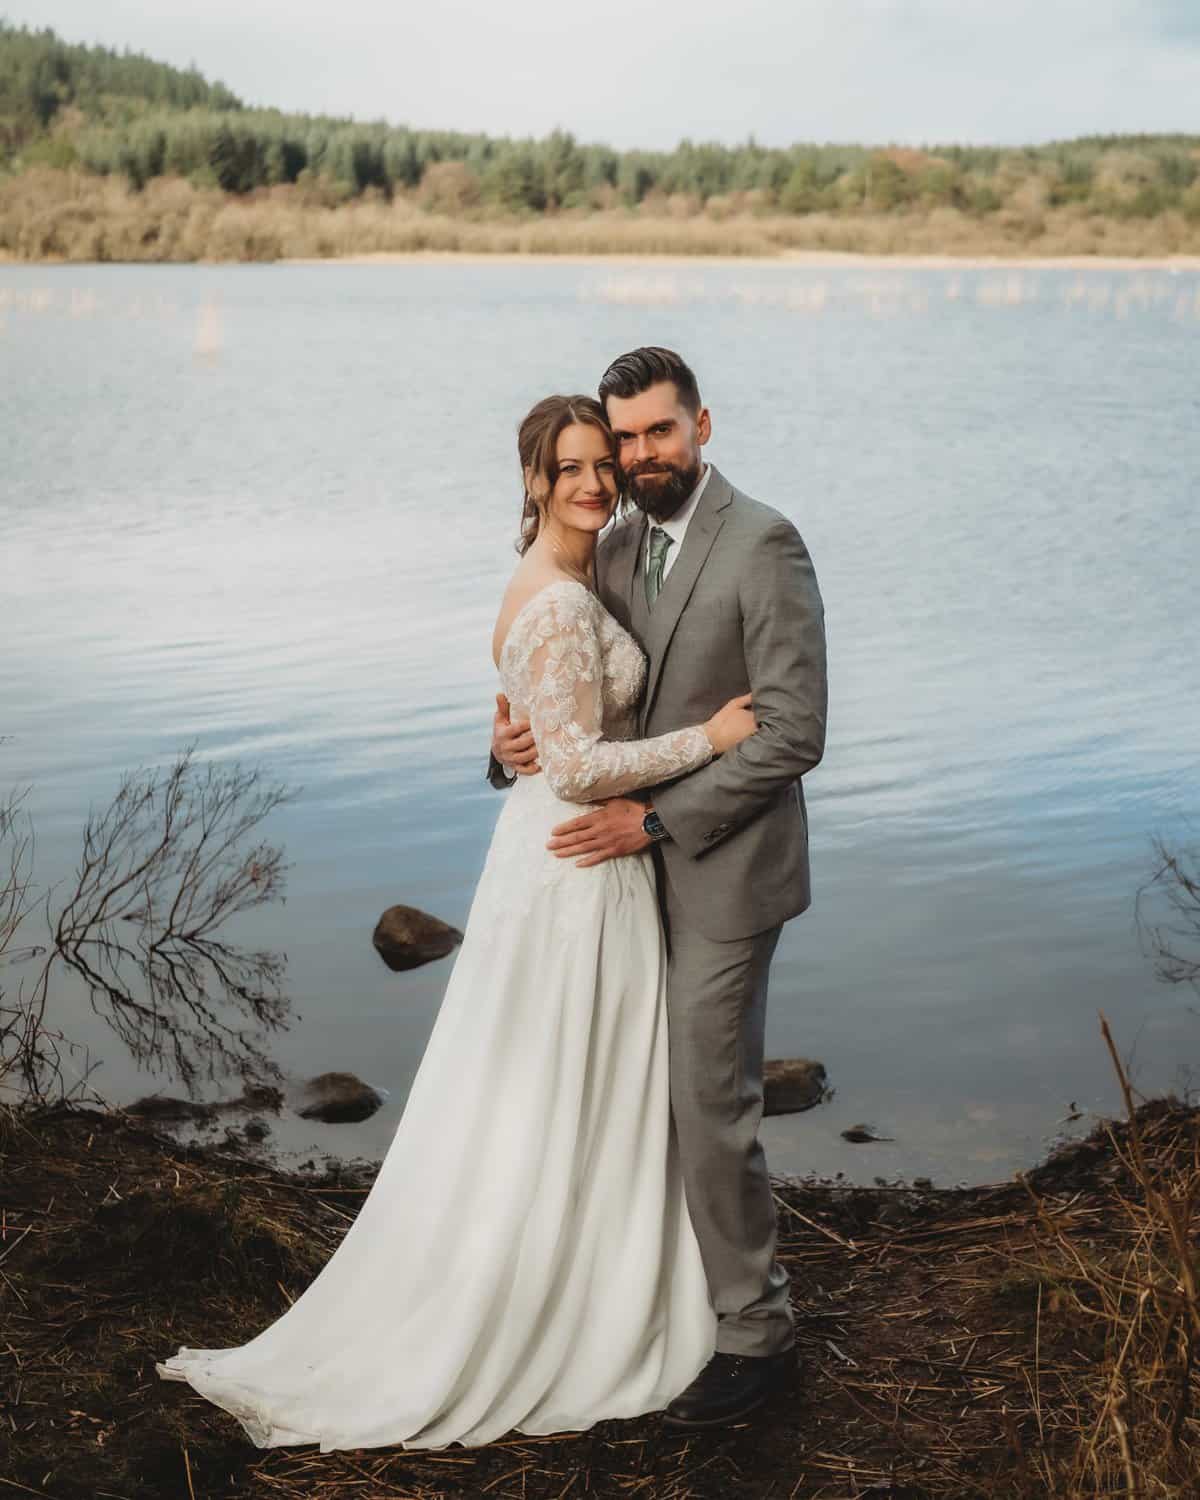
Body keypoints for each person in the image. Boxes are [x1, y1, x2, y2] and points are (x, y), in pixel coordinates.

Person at [155, 393, 760, 1451]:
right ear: (534, 480)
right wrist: (708, 738)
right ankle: (562, 1305)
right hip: (579, 864)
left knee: (545, 1086)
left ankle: (585, 1274)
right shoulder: (560, 598)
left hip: (553, 857)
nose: (593, 482)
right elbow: (573, 767)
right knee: (562, 1086)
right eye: (569, 467)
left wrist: (507, 747)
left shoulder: (572, 571)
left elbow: (538, 731)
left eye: (602, 462)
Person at [492, 347, 827, 1428]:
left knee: (710, 1103)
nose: (638, 457)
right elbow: (572, 698)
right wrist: (508, 747)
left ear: (702, 426)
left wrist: (658, 819)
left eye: (657, 433)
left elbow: (793, 732)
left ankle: (756, 1334)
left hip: (724, 868)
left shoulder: (764, 543)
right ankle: (651, 1300)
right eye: (623, 438)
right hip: (618, 878)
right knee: (626, 1091)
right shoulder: (614, 541)